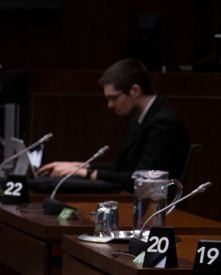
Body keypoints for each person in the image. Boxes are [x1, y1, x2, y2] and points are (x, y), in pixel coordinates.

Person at [38, 59, 191, 188]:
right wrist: (80, 166)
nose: (110, 105)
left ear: (135, 91)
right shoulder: (142, 118)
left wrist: (87, 173)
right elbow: (122, 168)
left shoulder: (164, 123)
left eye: (114, 98)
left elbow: (143, 180)